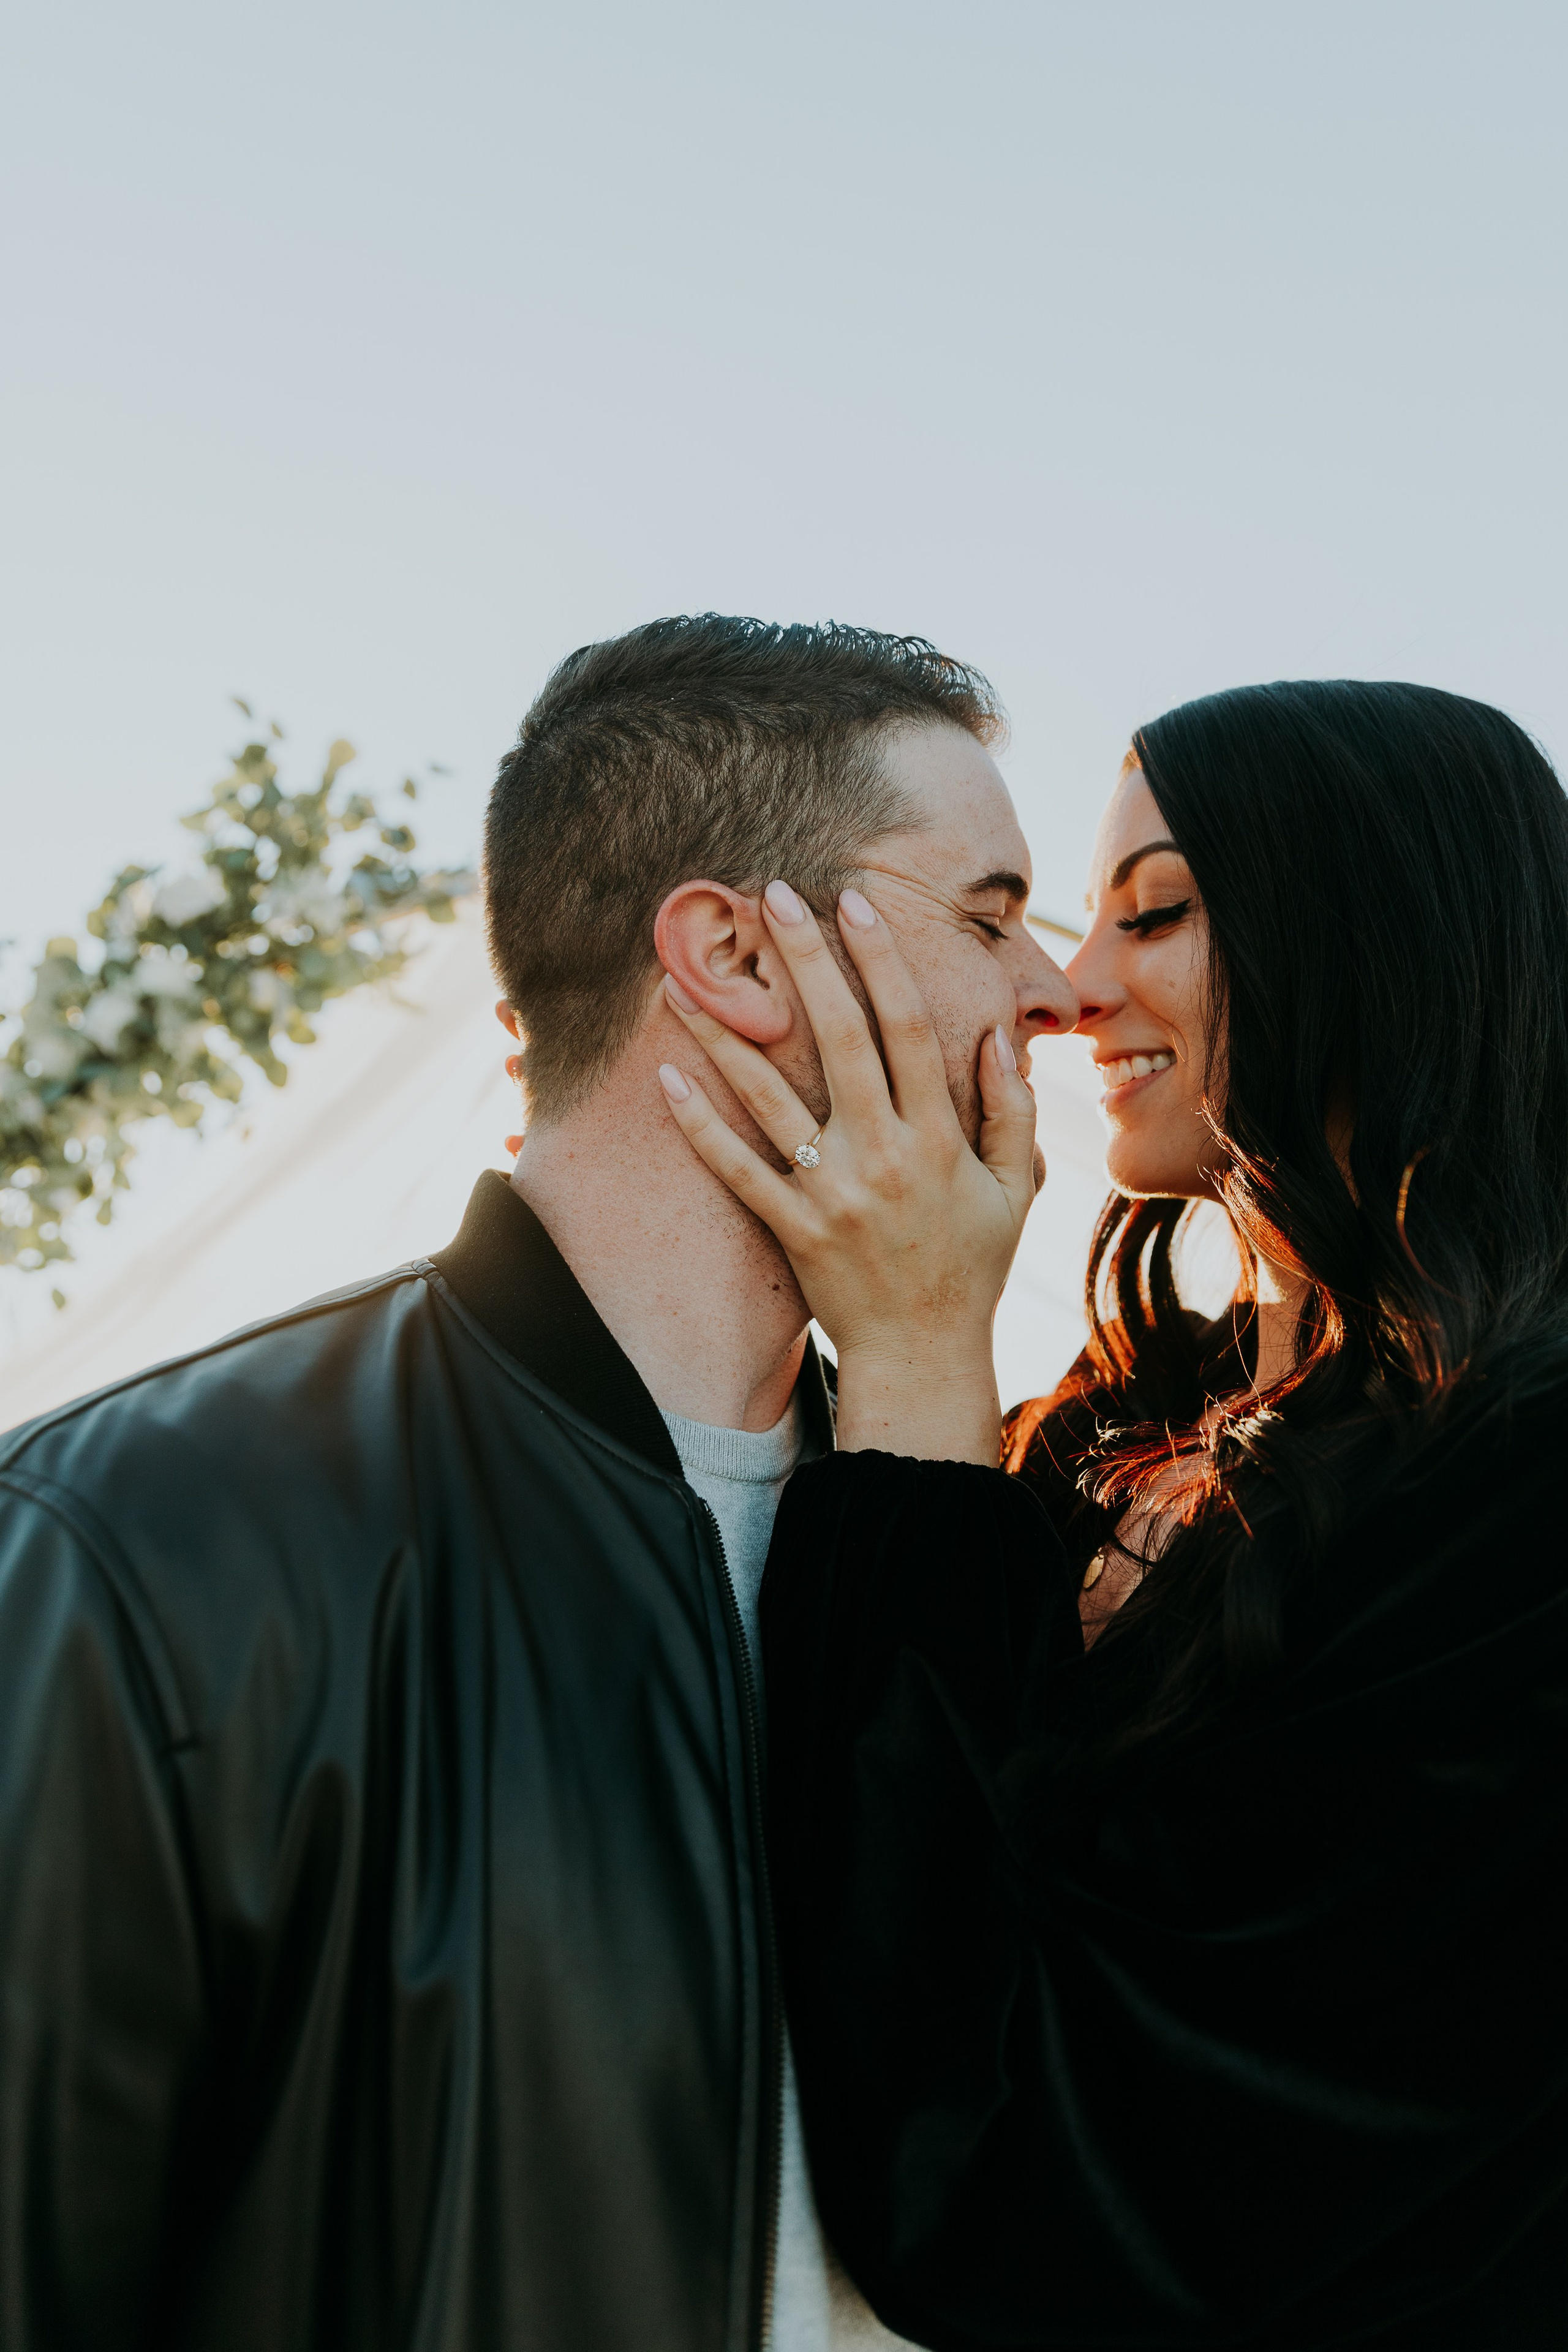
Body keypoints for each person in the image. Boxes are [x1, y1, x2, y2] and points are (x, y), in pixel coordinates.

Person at [0, 613, 1077, 2351]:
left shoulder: (985, 1552)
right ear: (736, 953)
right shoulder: (144, 1542)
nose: (1059, 995)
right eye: (993, 914)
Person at [658, 679, 1568, 2350]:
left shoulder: (1523, 1510)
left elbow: (1021, 2178)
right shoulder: (1122, 1418)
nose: (1076, 991)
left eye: (1155, 913)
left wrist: (921, 1342)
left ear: (1375, 931)